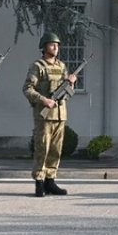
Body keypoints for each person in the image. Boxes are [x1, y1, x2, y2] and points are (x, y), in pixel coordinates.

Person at [24, 32, 77, 196]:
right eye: (52, 44)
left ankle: (50, 180)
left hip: (60, 114)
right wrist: (43, 100)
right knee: (42, 149)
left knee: (55, 150)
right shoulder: (38, 66)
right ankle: (39, 182)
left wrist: (71, 84)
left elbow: (68, 94)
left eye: (57, 45)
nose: (56, 47)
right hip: (44, 115)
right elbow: (27, 89)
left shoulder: (61, 66)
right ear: (44, 46)